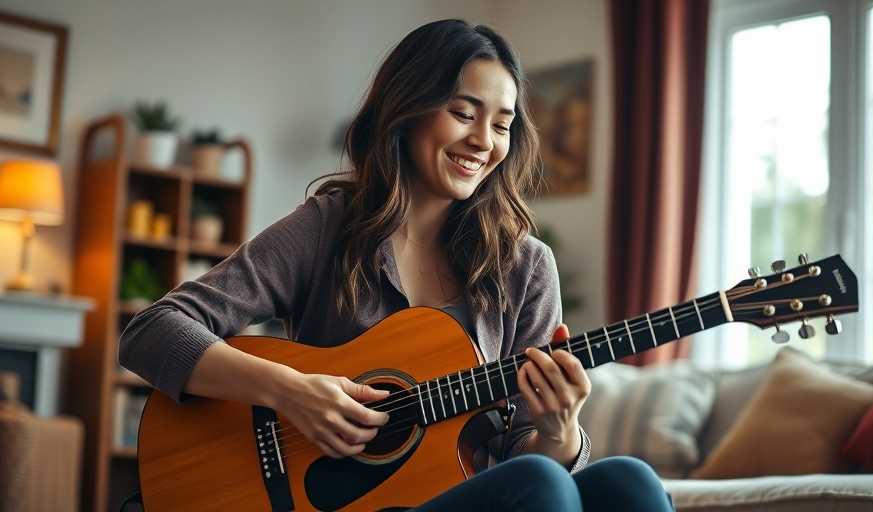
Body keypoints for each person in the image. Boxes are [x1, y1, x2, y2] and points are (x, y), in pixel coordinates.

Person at [119, 18, 674, 511]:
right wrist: (290, 391)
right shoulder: (326, 228)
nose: (483, 141)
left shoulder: (525, 267)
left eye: (502, 125)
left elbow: (527, 460)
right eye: (463, 113)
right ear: (407, 110)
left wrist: (560, 430)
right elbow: (150, 332)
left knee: (631, 481)